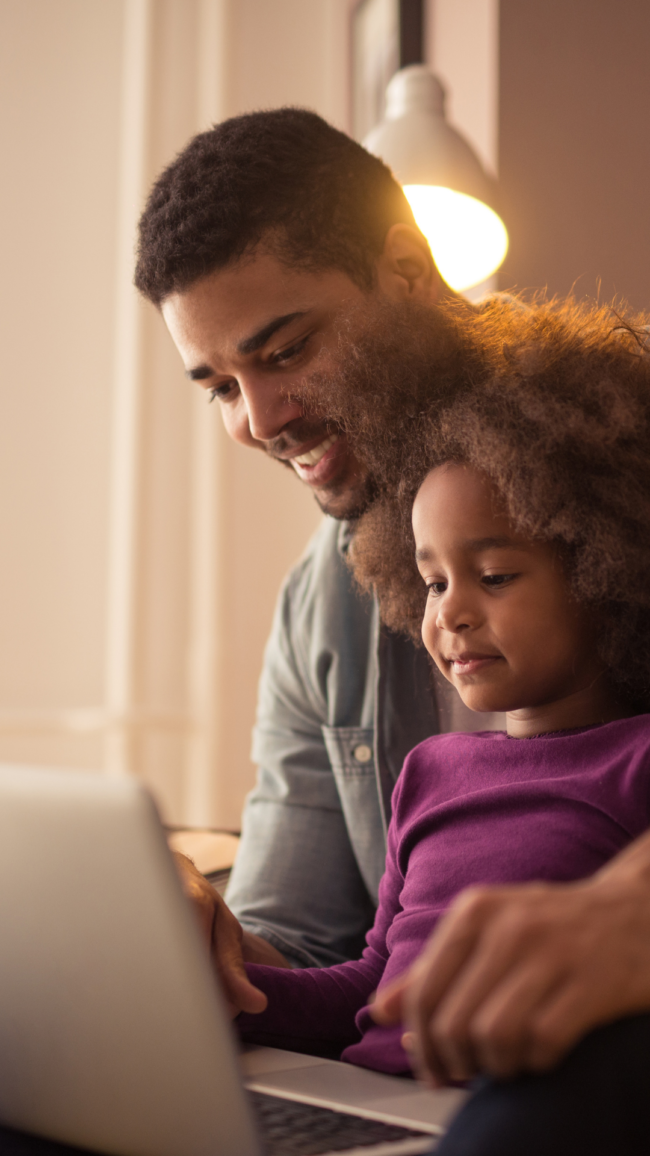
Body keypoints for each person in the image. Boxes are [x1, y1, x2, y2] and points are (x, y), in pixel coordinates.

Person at [134, 108, 650, 1087]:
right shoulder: (322, 598)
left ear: (407, 268)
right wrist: (189, 941)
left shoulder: (627, 469)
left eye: (285, 350)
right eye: (221, 387)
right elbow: (312, 944)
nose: (258, 421)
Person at [233, 295, 650, 1152]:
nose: (450, 612)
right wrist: (224, 986)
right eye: (431, 582)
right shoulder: (431, 771)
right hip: (366, 1110)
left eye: (494, 576)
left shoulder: (635, 760)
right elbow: (370, 986)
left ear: (606, 567)